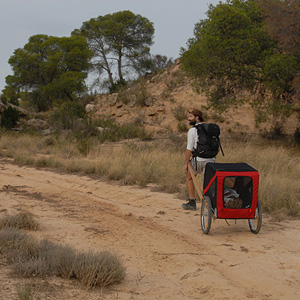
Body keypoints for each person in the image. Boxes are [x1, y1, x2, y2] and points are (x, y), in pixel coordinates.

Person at [182, 109, 215, 211]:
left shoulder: (192, 130)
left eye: (191, 116)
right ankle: (210, 205)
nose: (188, 118)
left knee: (189, 178)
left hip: (198, 160)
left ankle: (192, 202)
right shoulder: (209, 129)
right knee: (209, 182)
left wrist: (186, 163)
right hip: (211, 160)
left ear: (197, 118)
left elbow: (189, 149)